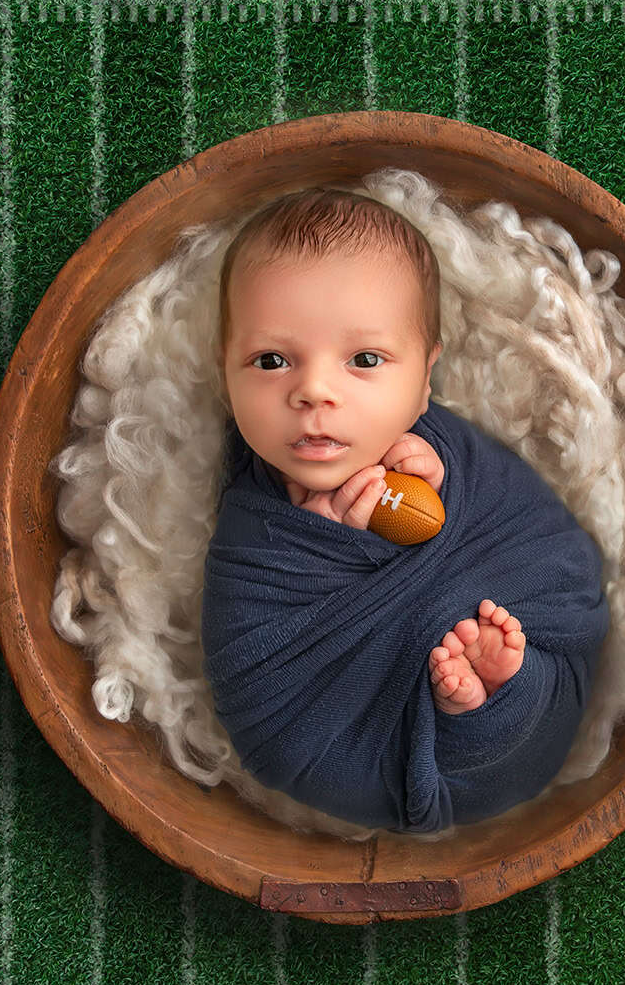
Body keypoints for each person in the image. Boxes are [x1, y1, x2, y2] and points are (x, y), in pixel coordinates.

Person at [215, 187, 526, 716]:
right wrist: (315, 546)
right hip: (340, 709)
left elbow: (511, 518)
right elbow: (244, 665)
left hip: (468, 613)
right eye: (270, 361)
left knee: (510, 636)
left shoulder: (435, 449)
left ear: (425, 380)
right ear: (225, 373)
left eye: (363, 358)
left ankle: (491, 697)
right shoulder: (249, 508)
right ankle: (457, 705)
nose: (314, 390)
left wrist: (442, 477)